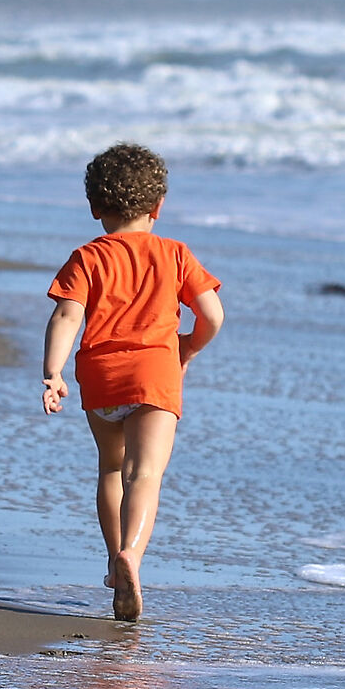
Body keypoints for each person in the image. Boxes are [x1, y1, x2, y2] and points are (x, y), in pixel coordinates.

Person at [40, 143, 224, 622]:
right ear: (158, 206)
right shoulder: (175, 254)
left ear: (95, 207)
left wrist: (53, 373)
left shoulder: (87, 256)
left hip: (101, 376)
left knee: (110, 468)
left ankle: (112, 560)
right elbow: (212, 315)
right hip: (155, 374)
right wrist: (189, 347)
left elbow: (66, 316)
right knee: (144, 474)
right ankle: (132, 556)